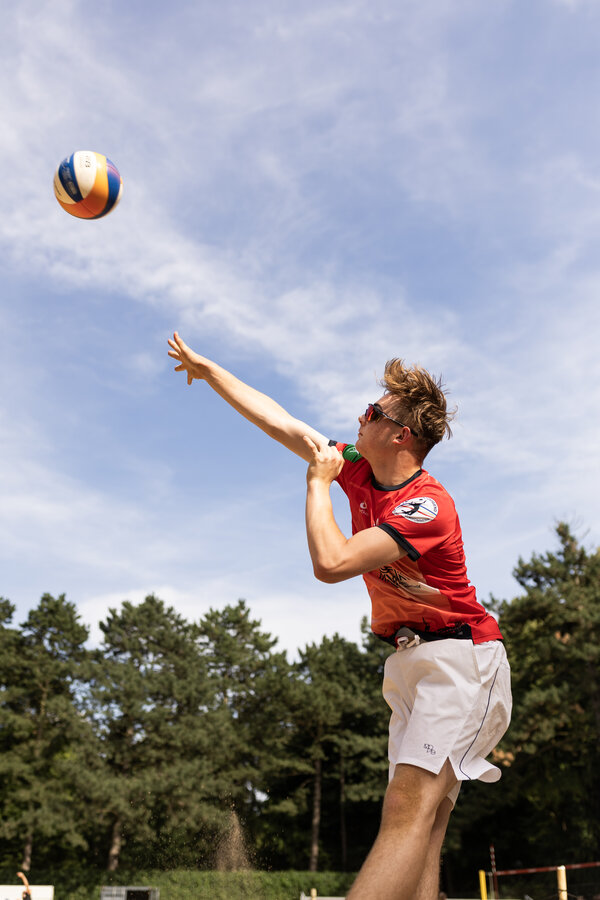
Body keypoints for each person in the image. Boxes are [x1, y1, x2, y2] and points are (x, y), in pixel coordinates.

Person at [168, 332, 512, 900]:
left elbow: (331, 563)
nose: (360, 414)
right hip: (410, 662)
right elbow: (280, 422)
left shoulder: (426, 505)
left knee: (406, 809)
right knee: (421, 827)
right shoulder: (358, 470)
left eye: (374, 412)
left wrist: (315, 484)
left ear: (400, 435)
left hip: (462, 659)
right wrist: (210, 372)